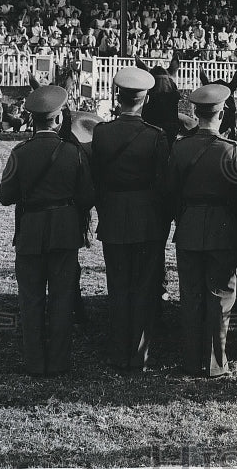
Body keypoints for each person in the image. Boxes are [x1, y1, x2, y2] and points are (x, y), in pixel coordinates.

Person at [0, 85, 95, 376]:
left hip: (29, 231)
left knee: (31, 299)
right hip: (65, 231)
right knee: (63, 298)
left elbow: (5, 196)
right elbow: (88, 197)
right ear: (60, 120)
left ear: (32, 119)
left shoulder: (20, 152)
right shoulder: (72, 152)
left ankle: (35, 363)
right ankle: (59, 362)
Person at [166, 85, 237, 378]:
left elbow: (171, 192)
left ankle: (191, 360)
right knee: (221, 296)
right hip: (222, 228)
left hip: (189, 226)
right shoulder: (232, 149)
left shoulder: (179, 147)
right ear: (222, 112)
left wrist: (185, 216)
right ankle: (215, 363)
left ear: (196, 113)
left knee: (190, 295)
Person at [91, 67, 170, 372]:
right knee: (144, 288)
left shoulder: (102, 132)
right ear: (145, 99)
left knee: (118, 286)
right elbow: (164, 184)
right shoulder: (155, 136)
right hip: (147, 219)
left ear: (117, 97)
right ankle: (139, 355)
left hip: (112, 217)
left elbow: (96, 177)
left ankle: (116, 351)